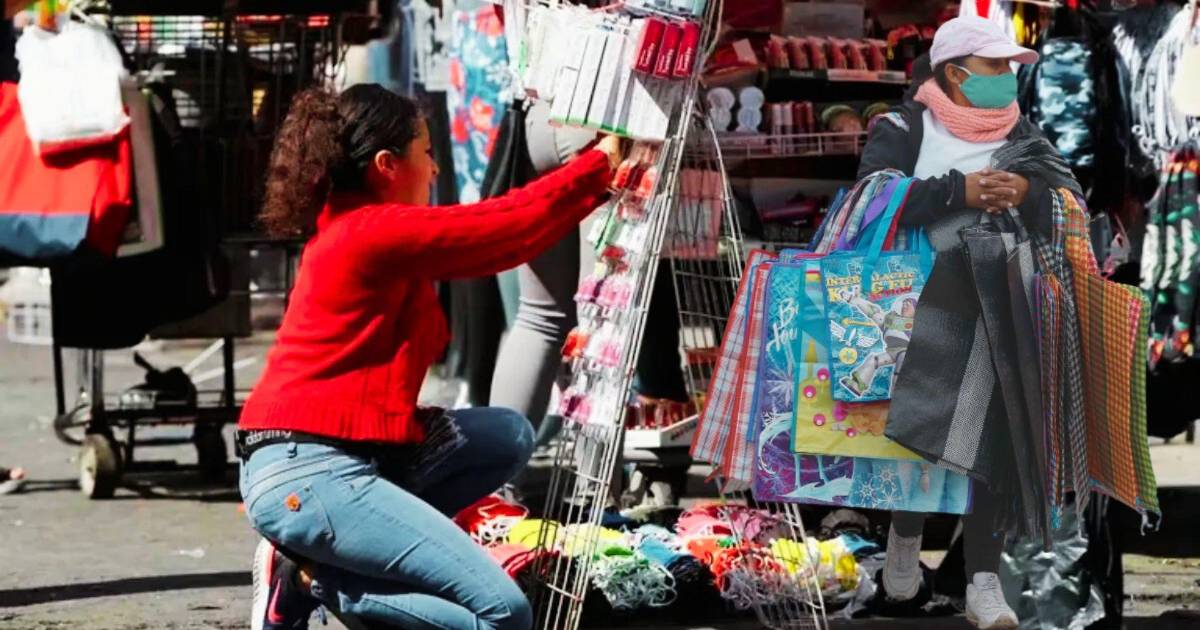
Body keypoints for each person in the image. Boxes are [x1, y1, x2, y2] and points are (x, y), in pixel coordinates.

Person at [237, 84, 621, 630]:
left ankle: (326, 565)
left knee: (506, 434)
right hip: (309, 471)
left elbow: (506, 236)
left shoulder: (361, 226)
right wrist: (598, 167)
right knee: (505, 613)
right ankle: (311, 578)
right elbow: (500, 229)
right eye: (426, 152)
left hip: (335, 456)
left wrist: (597, 178)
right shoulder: (371, 231)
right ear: (387, 166)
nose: (436, 168)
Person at [855, 16, 1074, 630]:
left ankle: (983, 580)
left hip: (1000, 310)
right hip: (916, 308)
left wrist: (1026, 189)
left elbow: (1066, 202)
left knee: (994, 442)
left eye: (1008, 67)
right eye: (994, 66)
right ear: (955, 73)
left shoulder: (1023, 132)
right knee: (916, 430)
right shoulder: (903, 128)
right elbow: (871, 198)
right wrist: (961, 191)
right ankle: (904, 536)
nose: (1006, 77)